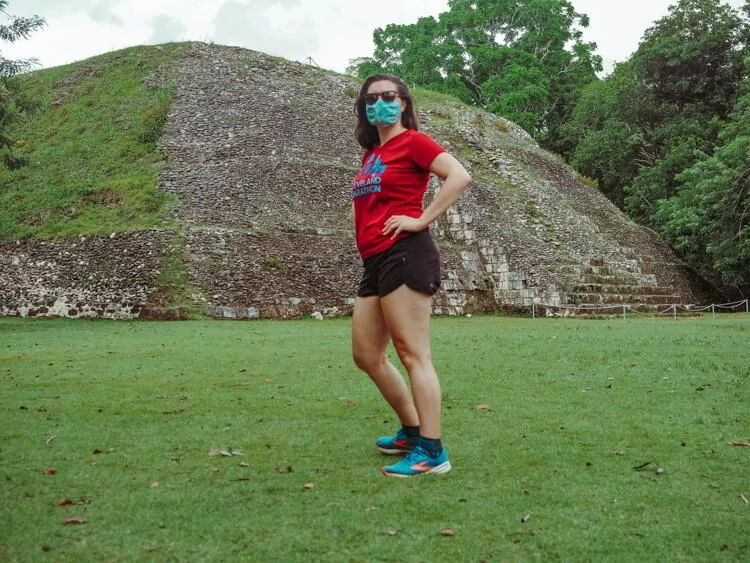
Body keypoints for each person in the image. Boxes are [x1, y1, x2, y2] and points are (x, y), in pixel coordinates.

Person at [350, 74, 472, 477]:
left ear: (403, 103)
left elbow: (459, 176)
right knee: (366, 355)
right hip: (375, 260)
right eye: (371, 99)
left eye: (388, 97)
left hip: (404, 254)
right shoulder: (372, 154)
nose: (379, 104)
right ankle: (411, 430)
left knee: (413, 354)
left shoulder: (414, 142)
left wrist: (420, 220)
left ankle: (433, 452)